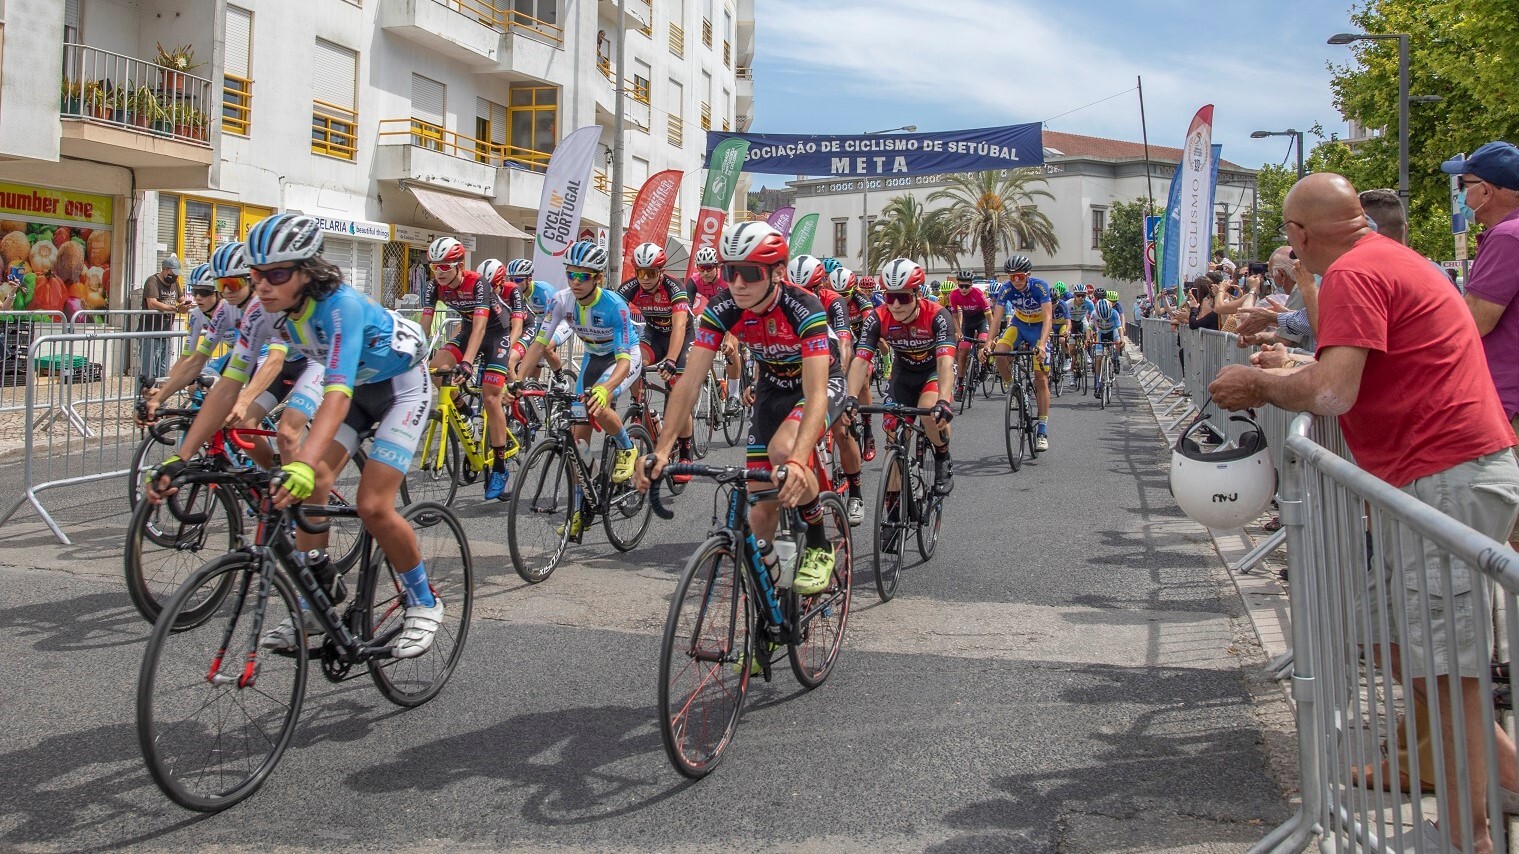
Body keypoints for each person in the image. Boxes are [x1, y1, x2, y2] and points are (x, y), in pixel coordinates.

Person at [1208, 173, 1519, 854]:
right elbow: (1357, 366)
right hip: (1447, 471)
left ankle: (1470, 835)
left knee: (1447, 665)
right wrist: (1292, 367)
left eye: (1287, 241)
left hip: (1446, 472)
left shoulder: (1353, 271)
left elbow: (1334, 392)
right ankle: (1502, 776)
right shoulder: (1385, 260)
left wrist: (1258, 383)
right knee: (1388, 635)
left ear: (1298, 234)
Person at [149, 213, 443, 659]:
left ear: (307, 273)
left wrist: (304, 462)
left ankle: (424, 601)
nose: (263, 286)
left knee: (372, 506)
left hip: (401, 388)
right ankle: (315, 599)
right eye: (256, 275)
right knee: (310, 490)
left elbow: (338, 393)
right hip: (357, 390)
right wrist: (181, 457)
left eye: (277, 275)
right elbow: (229, 383)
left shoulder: (339, 305)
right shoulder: (262, 314)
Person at [638, 222, 846, 596]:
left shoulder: (805, 308)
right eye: (730, 272)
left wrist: (798, 460)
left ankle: (818, 541)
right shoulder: (724, 308)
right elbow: (688, 383)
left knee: (784, 452)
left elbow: (815, 395)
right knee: (760, 504)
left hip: (818, 384)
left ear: (777, 273)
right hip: (771, 388)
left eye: (749, 273)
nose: (737, 283)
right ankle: (767, 615)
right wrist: (662, 450)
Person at [510, 240, 642, 537]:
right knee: (576, 444)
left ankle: (627, 447)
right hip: (594, 357)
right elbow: (540, 343)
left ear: (598, 278)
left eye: (583, 276)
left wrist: (606, 388)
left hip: (623, 357)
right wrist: (517, 379)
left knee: (599, 402)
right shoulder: (560, 300)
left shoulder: (614, 306)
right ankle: (581, 508)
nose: (575, 281)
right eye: (571, 274)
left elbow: (622, 360)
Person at [419, 237, 519, 500]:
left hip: (495, 333)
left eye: (444, 267)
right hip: (466, 331)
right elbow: (425, 326)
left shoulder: (477, 283)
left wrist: (467, 362)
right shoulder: (433, 287)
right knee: (436, 369)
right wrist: (412, 355)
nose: (438, 272)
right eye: (434, 267)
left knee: (490, 397)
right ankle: (464, 413)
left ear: (459, 264)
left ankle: (498, 466)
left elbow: (481, 327)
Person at [848, 258, 956, 495]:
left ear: (917, 294)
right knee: (893, 439)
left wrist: (944, 401)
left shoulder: (938, 315)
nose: (895, 305)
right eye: (889, 297)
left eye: (904, 297)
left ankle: (942, 456)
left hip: (932, 371)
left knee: (929, 412)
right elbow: (860, 360)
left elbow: (945, 361)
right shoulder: (877, 317)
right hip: (903, 372)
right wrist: (851, 397)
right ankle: (893, 510)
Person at [1443, 142, 1519, 482]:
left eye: (1464, 184)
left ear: (1486, 191)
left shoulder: (1507, 237)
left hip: (1508, 398)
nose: (1462, 194)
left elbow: (1475, 321)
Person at [787, 254, 865, 525]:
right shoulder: (787, 301)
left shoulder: (834, 300)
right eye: (798, 290)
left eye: (809, 290)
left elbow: (844, 344)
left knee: (841, 431)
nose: (803, 296)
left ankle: (855, 492)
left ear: (820, 287)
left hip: (832, 361)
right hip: (801, 362)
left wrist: (841, 387)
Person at [616, 241, 697, 479]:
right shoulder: (630, 287)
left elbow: (680, 325)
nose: (645, 278)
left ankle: (685, 452)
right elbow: (614, 315)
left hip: (680, 337)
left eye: (651, 273)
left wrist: (671, 361)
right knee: (633, 361)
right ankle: (638, 405)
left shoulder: (675, 287)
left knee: (677, 391)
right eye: (640, 272)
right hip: (653, 335)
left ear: (661, 272)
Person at [988, 254, 1052, 450]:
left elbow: (1048, 318)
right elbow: (997, 318)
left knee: (1040, 378)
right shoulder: (1006, 288)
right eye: (1011, 277)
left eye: (1019, 276)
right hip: (1019, 324)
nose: (1015, 280)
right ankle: (1010, 384)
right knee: (999, 353)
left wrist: (1041, 344)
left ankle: (1042, 429)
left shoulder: (1039, 287)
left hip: (1038, 329)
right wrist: (988, 341)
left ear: (1028, 275)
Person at [687, 245, 743, 417]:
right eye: (701, 268)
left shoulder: (727, 279)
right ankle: (716, 385)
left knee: (730, 350)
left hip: (736, 314)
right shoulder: (694, 281)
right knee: (700, 352)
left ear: (717, 267)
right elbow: (685, 306)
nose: (705, 272)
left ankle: (734, 396)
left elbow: (737, 309)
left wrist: (729, 338)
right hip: (715, 316)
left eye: (709, 268)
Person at [946, 270, 991, 397]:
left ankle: (984, 365)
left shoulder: (978, 294)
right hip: (968, 323)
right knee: (963, 352)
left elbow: (989, 315)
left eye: (967, 286)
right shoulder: (954, 295)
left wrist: (992, 333)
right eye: (961, 286)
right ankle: (960, 385)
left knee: (983, 342)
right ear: (957, 284)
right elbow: (954, 315)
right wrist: (958, 331)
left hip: (981, 321)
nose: (964, 289)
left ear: (972, 285)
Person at [139, 254, 183, 380]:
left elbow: (181, 299)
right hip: (151, 333)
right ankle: (141, 399)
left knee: (163, 372)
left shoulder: (174, 283)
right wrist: (175, 309)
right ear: (164, 269)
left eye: (176, 274)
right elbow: (152, 303)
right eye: (172, 273)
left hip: (166, 332)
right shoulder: (152, 281)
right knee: (147, 373)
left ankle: (159, 399)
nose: (174, 276)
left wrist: (186, 305)